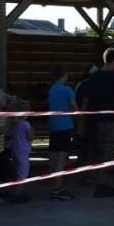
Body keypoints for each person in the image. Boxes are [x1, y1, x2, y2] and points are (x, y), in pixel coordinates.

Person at [86, 48, 114, 198]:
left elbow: (86, 98)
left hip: (93, 120)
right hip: (108, 121)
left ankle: (99, 181)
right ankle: (101, 185)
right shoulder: (113, 77)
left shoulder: (93, 76)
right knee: (107, 153)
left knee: (96, 152)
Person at [48, 64, 77, 200]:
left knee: (54, 157)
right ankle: (57, 189)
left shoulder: (51, 89)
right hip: (65, 126)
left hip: (53, 126)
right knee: (62, 158)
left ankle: (55, 186)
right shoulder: (67, 90)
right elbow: (75, 107)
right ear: (65, 75)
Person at [8, 98, 34, 203]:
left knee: (16, 172)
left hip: (15, 150)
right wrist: (33, 131)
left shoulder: (15, 124)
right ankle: (18, 194)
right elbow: (30, 137)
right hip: (23, 152)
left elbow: (9, 134)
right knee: (23, 174)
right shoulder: (26, 124)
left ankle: (14, 191)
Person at [74, 64, 98, 172]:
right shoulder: (88, 85)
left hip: (84, 119)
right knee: (87, 147)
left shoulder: (80, 84)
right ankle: (84, 172)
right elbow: (82, 102)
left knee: (84, 148)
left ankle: (83, 172)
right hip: (87, 120)